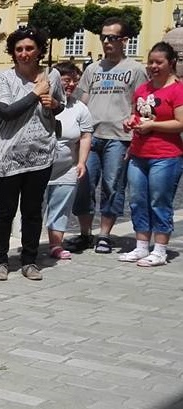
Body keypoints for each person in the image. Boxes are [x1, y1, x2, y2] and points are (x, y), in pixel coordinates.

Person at [66, 17, 148, 254]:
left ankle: (104, 234)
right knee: (84, 184)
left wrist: (135, 135)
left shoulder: (135, 69)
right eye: (104, 37)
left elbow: (140, 105)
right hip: (90, 136)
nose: (107, 42)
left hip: (119, 138)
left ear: (124, 40)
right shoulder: (92, 69)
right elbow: (81, 102)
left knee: (113, 185)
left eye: (112, 38)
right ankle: (84, 234)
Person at [0, 26, 65, 281]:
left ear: (39, 51)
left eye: (29, 48)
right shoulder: (5, 78)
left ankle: (29, 261)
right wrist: (35, 93)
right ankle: (0, 261)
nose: (24, 53)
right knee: (5, 211)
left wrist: (54, 104)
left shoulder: (52, 76)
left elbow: (60, 103)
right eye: (19, 49)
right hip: (9, 155)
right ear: (12, 52)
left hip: (40, 154)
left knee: (33, 211)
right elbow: (6, 112)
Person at [119, 41, 183, 266]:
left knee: (159, 201)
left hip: (165, 155)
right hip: (139, 152)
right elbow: (137, 116)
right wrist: (131, 122)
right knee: (137, 200)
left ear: (171, 63)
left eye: (159, 62)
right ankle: (141, 246)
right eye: (151, 62)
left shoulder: (177, 89)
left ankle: (160, 249)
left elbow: (180, 123)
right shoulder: (142, 90)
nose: (153, 66)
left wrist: (153, 126)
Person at [44, 62, 93, 260]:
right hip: (39, 166)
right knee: (32, 208)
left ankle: (56, 244)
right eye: (66, 80)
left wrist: (81, 162)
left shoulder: (80, 108)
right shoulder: (43, 101)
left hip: (66, 167)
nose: (71, 84)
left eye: (75, 80)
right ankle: (28, 243)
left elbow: (85, 136)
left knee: (60, 206)